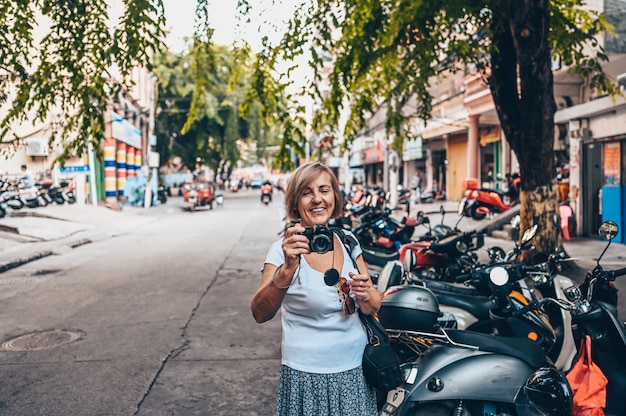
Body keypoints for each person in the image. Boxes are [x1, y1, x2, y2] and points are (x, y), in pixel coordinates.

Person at [250, 162, 381, 416]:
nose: (317, 199)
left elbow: (373, 305)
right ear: (295, 202)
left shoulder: (348, 240)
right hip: (305, 376)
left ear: (334, 196)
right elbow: (259, 313)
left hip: (355, 371)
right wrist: (287, 268)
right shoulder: (281, 250)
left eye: (324, 190)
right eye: (307, 192)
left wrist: (367, 295)